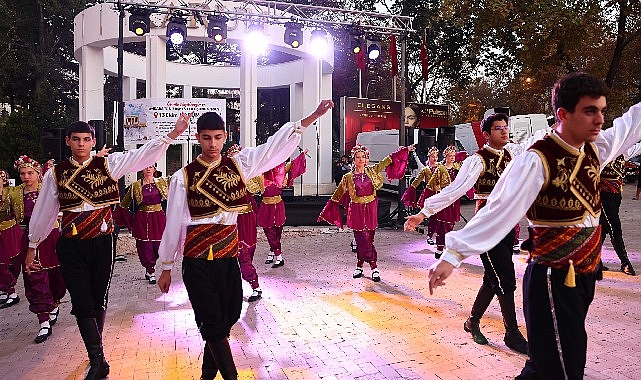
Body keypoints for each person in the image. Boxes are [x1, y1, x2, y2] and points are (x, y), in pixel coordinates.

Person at [417, 72, 641, 379]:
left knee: (550, 363)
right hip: (553, 275)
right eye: (590, 111)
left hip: (584, 271)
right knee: (563, 366)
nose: (600, 119)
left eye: (601, 110)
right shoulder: (536, 160)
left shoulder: (595, 148)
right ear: (562, 114)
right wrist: (453, 254)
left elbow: (632, 122)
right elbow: (498, 208)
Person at [157, 100, 334, 380]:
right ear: (197, 138)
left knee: (226, 318)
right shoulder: (183, 178)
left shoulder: (238, 166)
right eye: (206, 138)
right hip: (197, 260)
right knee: (213, 324)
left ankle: (207, 375)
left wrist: (312, 116)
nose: (212, 144)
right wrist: (165, 265)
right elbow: (174, 223)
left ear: (225, 137)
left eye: (217, 137)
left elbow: (272, 149)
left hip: (227, 259)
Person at [25, 115, 190, 379]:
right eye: (76, 140)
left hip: (102, 243)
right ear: (68, 142)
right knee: (81, 302)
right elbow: (44, 211)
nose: (81, 144)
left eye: (86, 140)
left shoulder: (108, 164)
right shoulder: (56, 173)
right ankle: (97, 359)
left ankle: (97, 352)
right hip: (71, 244)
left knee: (98, 298)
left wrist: (171, 135)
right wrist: (33, 245)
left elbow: (142, 155)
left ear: (93, 142)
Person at [405, 113, 547, 354]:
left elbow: (535, 141)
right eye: (498, 128)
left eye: (506, 128)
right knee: (505, 277)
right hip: (486, 223)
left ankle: (472, 321)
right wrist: (423, 213)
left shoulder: (513, 153)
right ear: (487, 134)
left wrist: (561, 125)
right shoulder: (478, 161)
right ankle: (511, 332)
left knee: (493, 279)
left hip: (507, 222)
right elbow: (455, 190)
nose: (504, 131)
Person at [318, 143, 413, 282]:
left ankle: (359, 265)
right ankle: (374, 267)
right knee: (362, 239)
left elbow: (387, 160)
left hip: (370, 208)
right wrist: (326, 211)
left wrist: (404, 151)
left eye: (363, 157)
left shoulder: (372, 170)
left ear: (366, 159)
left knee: (368, 239)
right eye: (358, 157)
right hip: (356, 209)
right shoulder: (348, 177)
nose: (361, 159)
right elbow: (337, 195)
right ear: (353, 159)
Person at [258, 148, 309, 268]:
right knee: (269, 230)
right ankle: (279, 255)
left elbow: (292, 165)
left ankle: (272, 252)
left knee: (277, 231)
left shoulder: (280, 171)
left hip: (278, 205)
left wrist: (302, 155)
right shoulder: (259, 173)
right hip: (266, 206)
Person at [118, 165, 168, 284]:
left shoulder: (162, 182)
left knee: (158, 246)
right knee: (145, 246)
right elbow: (124, 204)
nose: (148, 169)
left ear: (154, 169)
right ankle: (150, 271)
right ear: (142, 169)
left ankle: (152, 265)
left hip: (158, 218)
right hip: (143, 219)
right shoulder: (135, 185)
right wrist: (129, 221)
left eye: (151, 167)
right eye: (145, 167)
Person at [226, 144, 263, 302]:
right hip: (231, 220)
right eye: (233, 157)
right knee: (235, 255)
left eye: (238, 156)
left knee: (247, 252)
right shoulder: (224, 177)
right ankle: (253, 285)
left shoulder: (250, 175)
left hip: (246, 219)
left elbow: (256, 189)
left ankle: (252, 284)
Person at [598, 143, 641, 275]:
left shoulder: (624, 150)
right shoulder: (600, 151)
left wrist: (627, 165)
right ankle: (625, 262)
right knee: (614, 227)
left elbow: (638, 148)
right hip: (602, 196)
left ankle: (595, 262)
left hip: (616, 196)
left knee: (603, 229)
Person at [425, 145, 462, 258]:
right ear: (445, 157)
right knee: (442, 225)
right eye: (450, 156)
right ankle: (439, 248)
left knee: (450, 225)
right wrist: (439, 192)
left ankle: (448, 248)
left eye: (453, 156)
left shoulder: (457, 168)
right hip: (443, 200)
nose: (452, 158)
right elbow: (432, 183)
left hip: (454, 201)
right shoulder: (440, 168)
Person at [401, 146, 439, 244]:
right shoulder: (425, 169)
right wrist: (410, 191)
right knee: (430, 215)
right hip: (429, 194)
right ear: (429, 157)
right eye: (433, 156)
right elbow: (416, 181)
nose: (435, 159)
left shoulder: (440, 168)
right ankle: (429, 235)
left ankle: (440, 235)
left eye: (436, 156)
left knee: (439, 216)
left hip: (438, 194)